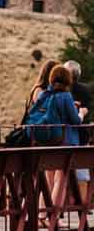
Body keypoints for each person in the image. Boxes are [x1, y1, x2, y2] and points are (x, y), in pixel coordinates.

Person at [26, 63, 85, 209]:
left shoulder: (45, 94)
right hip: (64, 141)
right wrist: (81, 113)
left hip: (47, 139)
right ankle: (53, 216)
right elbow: (75, 121)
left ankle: (41, 214)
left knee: (48, 181)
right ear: (68, 80)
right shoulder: (65, 96)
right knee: (61, 180)